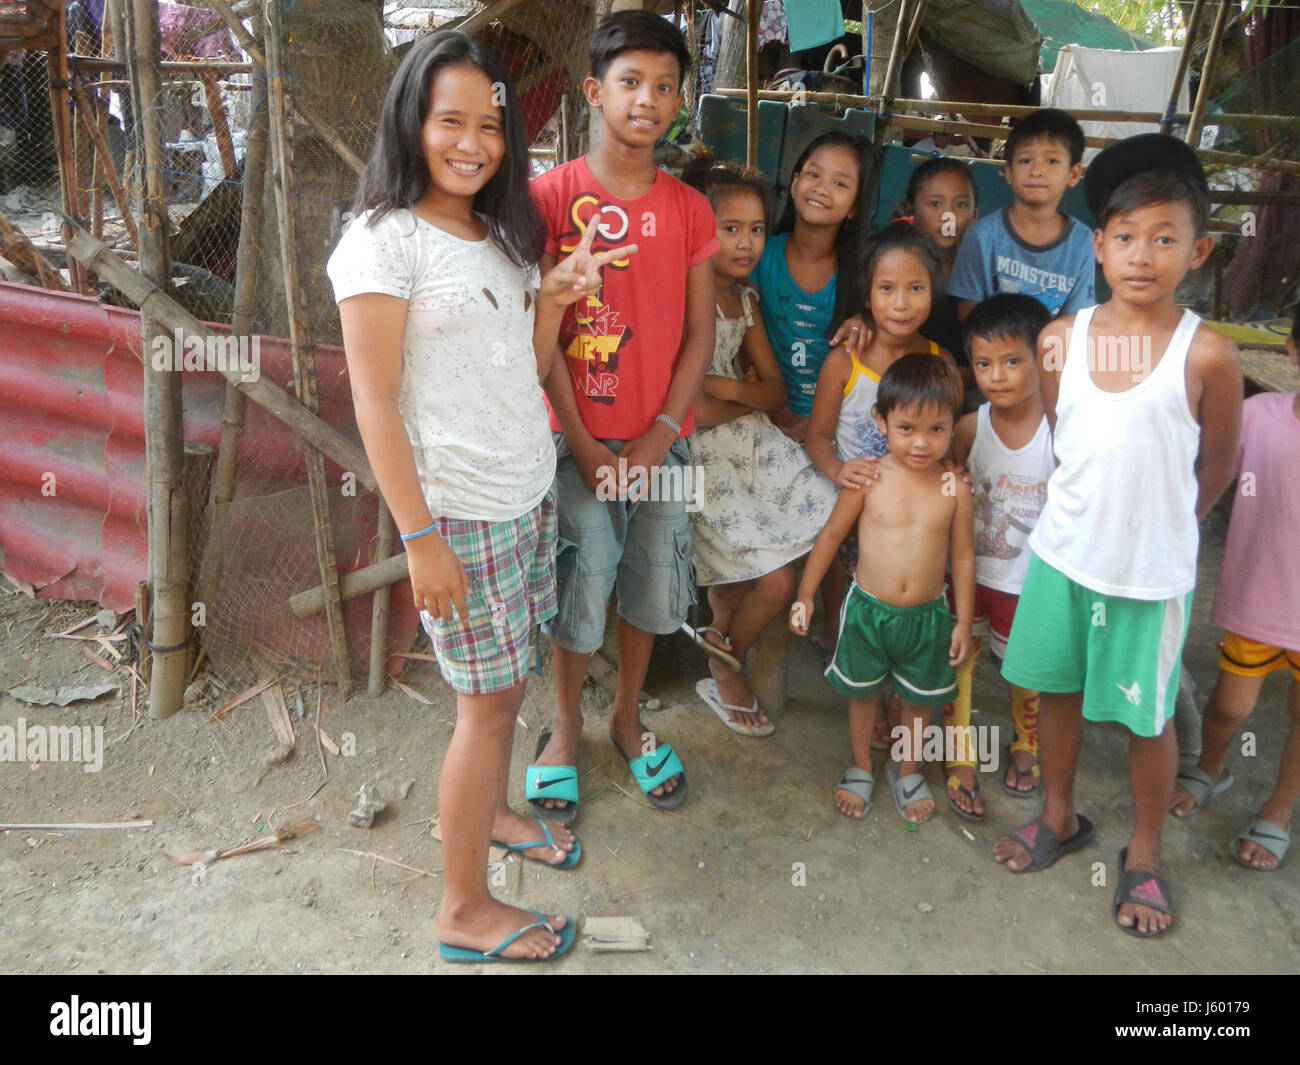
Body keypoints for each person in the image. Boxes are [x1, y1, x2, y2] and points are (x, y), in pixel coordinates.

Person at [327, 30, 627, 963]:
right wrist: (419, 537)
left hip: (523, 494)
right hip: (457, 515)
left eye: (488, 125)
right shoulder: (383, 243)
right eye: (447, 120)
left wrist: (552, 299)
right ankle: (462, 910)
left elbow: (527, 372)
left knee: (502, 688)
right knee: (487, 705)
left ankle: (496, 812)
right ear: (409, 122)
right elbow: (373, 402)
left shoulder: (499, 233)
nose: (471, 142)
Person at [992, 134, 1242, 940]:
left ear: (1197, 251)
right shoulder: (1061, 338)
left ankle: (1144, 850)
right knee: (1055, 692)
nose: (1144, 255)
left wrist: (1162, 525)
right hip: (1065, 556)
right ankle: (1060, 817)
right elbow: (1069, 434)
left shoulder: (1209, 353)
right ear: (1097, 246)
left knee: (1147, 719)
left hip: (1147, 574)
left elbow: (1218, 466)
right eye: (1126, 237)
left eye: (1167, 238)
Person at [527, 10, 717, 817]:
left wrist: (661, 434)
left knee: (651, 588)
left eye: (665, 85)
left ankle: (627, 716)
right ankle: (564, 726)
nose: (648, 99)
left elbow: (702, 332)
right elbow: (546, 333)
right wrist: (588, 444)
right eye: (631, 82)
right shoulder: (550, 196)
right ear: (595, 92)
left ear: (680, 99)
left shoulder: (688, 211)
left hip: (665, 444)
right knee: (584, 577)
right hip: (572, 442)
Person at [680, 157, 838, 736]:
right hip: (699, 458)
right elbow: (686, 415)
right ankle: (724, 656)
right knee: (775, 579)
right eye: (730, 228)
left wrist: (726, 387)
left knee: (828, 507)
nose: (746, 243)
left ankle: (723, 636)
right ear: (697, 229)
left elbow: (773, 392)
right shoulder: (676, 299)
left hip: (752, 441)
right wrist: (744, 398)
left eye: (755, 228)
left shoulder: (743, 300)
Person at [791, 354, 974, 824]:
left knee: (918, 701)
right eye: (907, 427)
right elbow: (831, 536)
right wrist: (806, 594)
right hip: (868, 611)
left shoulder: (954, 486)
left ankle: (908, 768)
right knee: (862, 694)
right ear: (882, 421)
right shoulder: (868, 478)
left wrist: (964, 622)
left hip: (929, 616)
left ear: (954, 427)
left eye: (937, 430)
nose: (920, 442)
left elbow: (962, 556)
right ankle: (860, 764)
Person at [1169, 311, 1299, 871]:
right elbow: (1203, 473)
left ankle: (1278, 811)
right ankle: (1211, 767)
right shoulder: (1258, 418)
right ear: (1293, 350)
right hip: (1258, 601)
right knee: (1229, 706)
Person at [943, 293, 1053, 821]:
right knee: (960, 659)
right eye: (984, 364)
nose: (997, 376)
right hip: (968, 576)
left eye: (1013, 361)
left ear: (1042, 359)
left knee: (1024, 668)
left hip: (1027, 582)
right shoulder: (969, 427)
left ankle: (1026, 741)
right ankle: (961, 752)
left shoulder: (1061, 432)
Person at [754, 130, 876, 441]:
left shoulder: (866, 275)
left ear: (854, 207)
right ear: (794, 183)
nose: (822, 189)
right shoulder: (757, 256)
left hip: (838, 423)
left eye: (839, 183)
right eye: (813, 174)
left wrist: (869, 323)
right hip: (762, 412)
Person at [948, 109, 1095, 322]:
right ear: (1008, 171)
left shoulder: (1081, 242)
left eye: (1052, 161)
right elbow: (967, 311)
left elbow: (1076, 320)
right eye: (1025, 160)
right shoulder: (981, 236)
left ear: (1073, 174)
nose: (1037, 170)